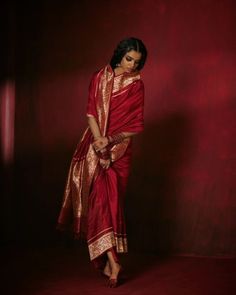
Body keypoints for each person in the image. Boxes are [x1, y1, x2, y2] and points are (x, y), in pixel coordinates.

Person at [57, 37, 147, 287]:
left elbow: (135, 126)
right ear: (120, 55)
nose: (131, 65)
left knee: (111, 202)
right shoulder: (100, 77)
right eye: (129, 58)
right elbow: (91, 113)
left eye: (137, 62)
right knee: (99, 200)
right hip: (95, 147)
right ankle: (112, 259)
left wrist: (110, 141)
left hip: (120, 151)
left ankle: (109, 262)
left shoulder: (136, 85)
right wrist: (99, 144)